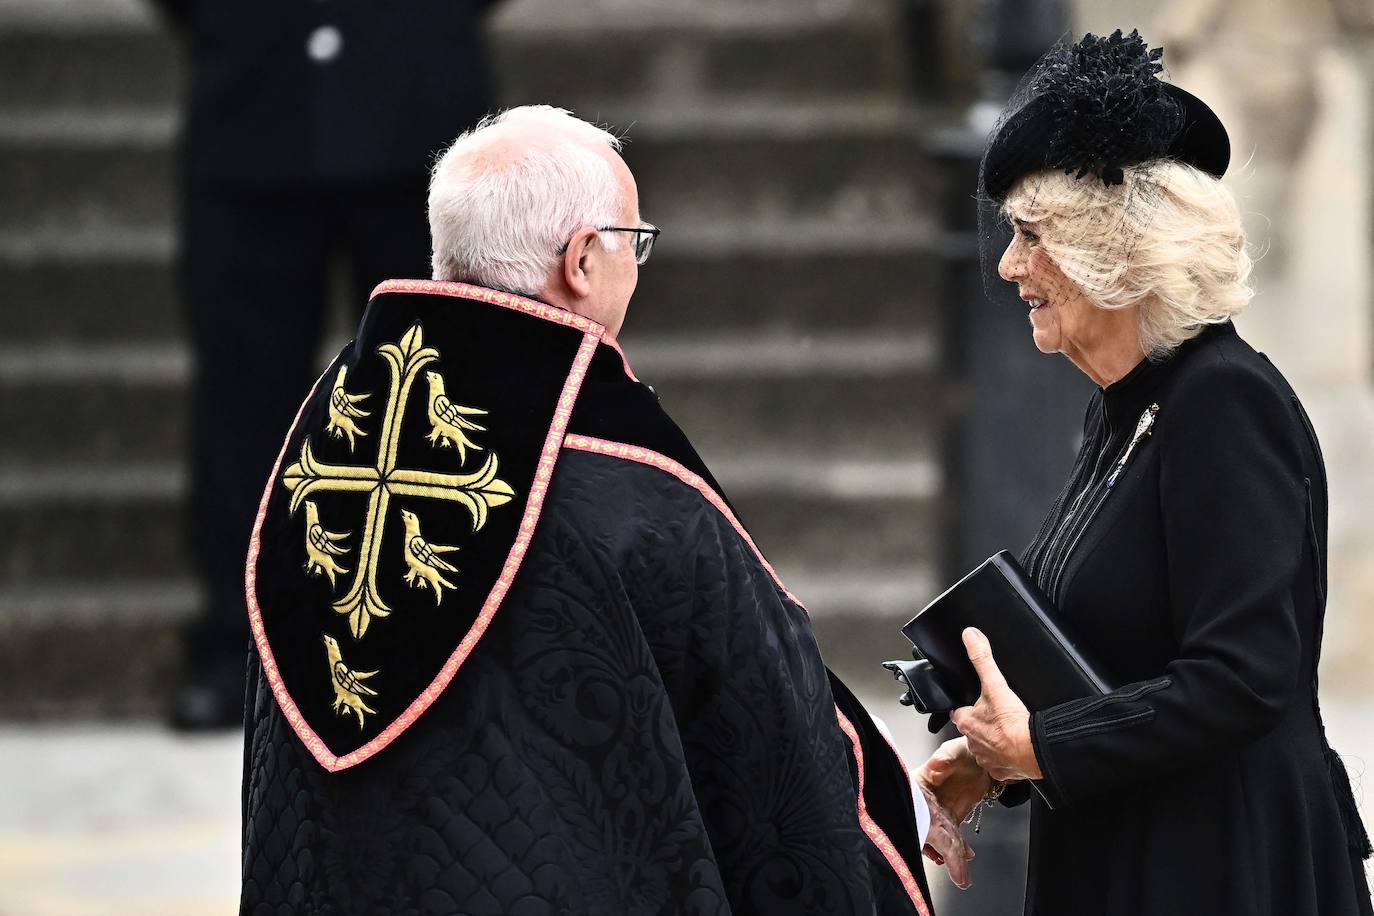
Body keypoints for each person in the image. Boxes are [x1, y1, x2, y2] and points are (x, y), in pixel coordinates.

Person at [240, 106, 962, 914]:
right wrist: (879, 794)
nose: (638, 266)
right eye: (634, 241)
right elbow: (766, 722)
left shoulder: (324, 448)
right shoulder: (629, 484)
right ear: (583, 259)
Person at [916, 30, 1374, 916]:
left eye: (1032, 235)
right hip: (1139, 853)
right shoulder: (1128, 404)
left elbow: (1245, 677)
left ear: (1114, 250)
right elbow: (1118, 661)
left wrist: (1043, 746)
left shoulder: (1225, 403)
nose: (1010, 267)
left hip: (1224, 870)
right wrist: (992, 756)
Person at [146, 0, 503, 729]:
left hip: (417, 100)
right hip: (255, 99)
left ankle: (441, 646)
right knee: (243, 403)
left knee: (436, 396)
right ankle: (242, 648)